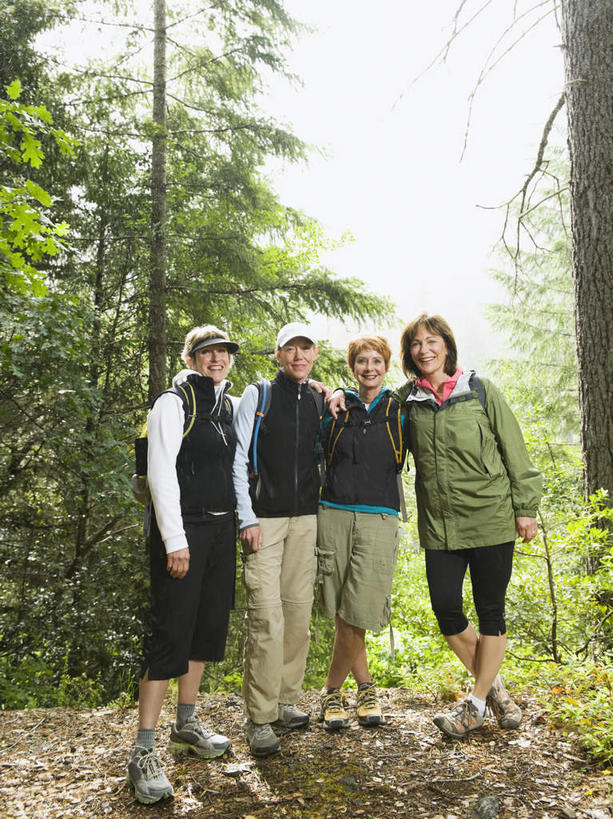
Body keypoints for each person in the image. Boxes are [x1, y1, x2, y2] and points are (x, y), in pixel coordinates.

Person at [330, 312, 542, 739]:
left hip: (491, 518)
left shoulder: (479, 390)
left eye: (432, 341)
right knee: (446, 610)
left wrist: (526, 507)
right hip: (441, 525)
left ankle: (477, 703)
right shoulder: (406, 401)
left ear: (447, 345)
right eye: (415, 344)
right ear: (409, 353)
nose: (424, 349)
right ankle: (496, 688)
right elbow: (367, 407)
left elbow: (514, 448)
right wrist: (334, 389)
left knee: (490, 612)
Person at [127, 325, 239, 804]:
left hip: (220, 531)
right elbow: (160, 473)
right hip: (184, 532)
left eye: (224, 352)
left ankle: (186, 724)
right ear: (191, 357)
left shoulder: (223, 406)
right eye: (207, 352)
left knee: (204, 629)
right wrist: (175, 539)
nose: (217, 359)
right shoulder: (173, 403)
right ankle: (143, 751)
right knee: (171, 631)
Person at [233, 321, 324, 757]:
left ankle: (287, 700)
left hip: (306, 519)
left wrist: (336, 393)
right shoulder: (259, 395)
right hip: (263, 522)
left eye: (305, 349)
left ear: (315, 353)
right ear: (278, 354)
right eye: (291, 349)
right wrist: (245, 516)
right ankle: (260, 717)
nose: (298, 356)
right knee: (266, 617)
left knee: (298, 616)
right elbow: (237, 459)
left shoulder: (320, 398)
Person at [317, 334, 407, 731]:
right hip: (332, 513)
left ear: (386, 366)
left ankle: (331, 692)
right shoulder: (337, 408)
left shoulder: (401, 409)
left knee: (361, 610)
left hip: (379, 517)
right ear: (352, 368)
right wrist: (333, 391)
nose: (369, 368)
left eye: (376, 361)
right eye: (361, 362)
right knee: (342, 610)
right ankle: (366, 688)